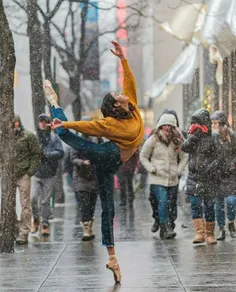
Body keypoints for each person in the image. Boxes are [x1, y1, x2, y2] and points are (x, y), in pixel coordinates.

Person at [42, 40, 144, 284]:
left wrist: (123, 58)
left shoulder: (133, 107)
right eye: (118, 95)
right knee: (68, 136)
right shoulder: (113, 124)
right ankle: (55, 105)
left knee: (108, 209)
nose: (122, 93)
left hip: (110, 164)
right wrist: (66, 123)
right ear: (115, 105)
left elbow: (130, 81)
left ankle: (112, 257)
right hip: (107, 154)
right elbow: (92, 126)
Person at [140, 113, 188, 239]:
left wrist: (179, 170)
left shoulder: (177, 140)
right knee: (162, 202)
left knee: (172, 204)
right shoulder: (153, 140)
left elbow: (185, 156)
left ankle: (168, 225)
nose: (167, 128)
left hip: (173, 178)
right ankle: (165, 227)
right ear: (160, 126)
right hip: (157, 177)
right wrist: (152, 168)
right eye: (164, 125)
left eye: (170, 125)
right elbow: (143, 156)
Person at [182, 109, 223, 245]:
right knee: (195, 204)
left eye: (198, 122)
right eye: (194, 123)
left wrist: (209, 168)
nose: (196, 125)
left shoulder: (214, 137)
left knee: (209, 205)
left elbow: (219, 157)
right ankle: (199, 233)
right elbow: (184, 147)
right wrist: (195, 136)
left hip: (209, 178)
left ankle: (210, 234)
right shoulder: (193, 136)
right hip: (194, 177)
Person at [31, 114, 64, 236]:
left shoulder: (54, 138)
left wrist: (47, 154)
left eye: (45, 121)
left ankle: (45, 224)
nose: (43, 124)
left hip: (50, 173)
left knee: (45, 201)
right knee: (33, 198)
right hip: (36, 173)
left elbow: (60, 153)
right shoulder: (34, 137)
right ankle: (36, 219)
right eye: (40, 121)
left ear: (49, 123)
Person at [71, 116, 103, 241]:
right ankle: (85, 228)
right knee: (84, 204)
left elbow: (103, 153)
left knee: (91, 204)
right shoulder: (76, 141)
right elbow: (73, 158)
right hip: (80, 177)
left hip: (94, 176)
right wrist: (82, 162)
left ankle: (89, 225)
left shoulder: (97, 139)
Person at [13, 115, 41, 244]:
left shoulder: (28, 136)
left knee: (25, 204)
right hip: (8, 175)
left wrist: (30, 171)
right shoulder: (4, 136)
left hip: (23, 173)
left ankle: (24, 232)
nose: (14, 124)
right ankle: (12, 227)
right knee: (7, 202)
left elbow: (36, 153)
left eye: (16, 122)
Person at [211, 111, 236, 240]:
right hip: (217, 175)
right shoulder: (212, 138)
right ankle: (221, 228)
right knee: (218, 204)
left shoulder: (233, 137)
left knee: (231, 201)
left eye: (215, 123)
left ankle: (231, 223)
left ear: (222, 123)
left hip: (230, 175)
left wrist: (233, 164)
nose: (213, 125)